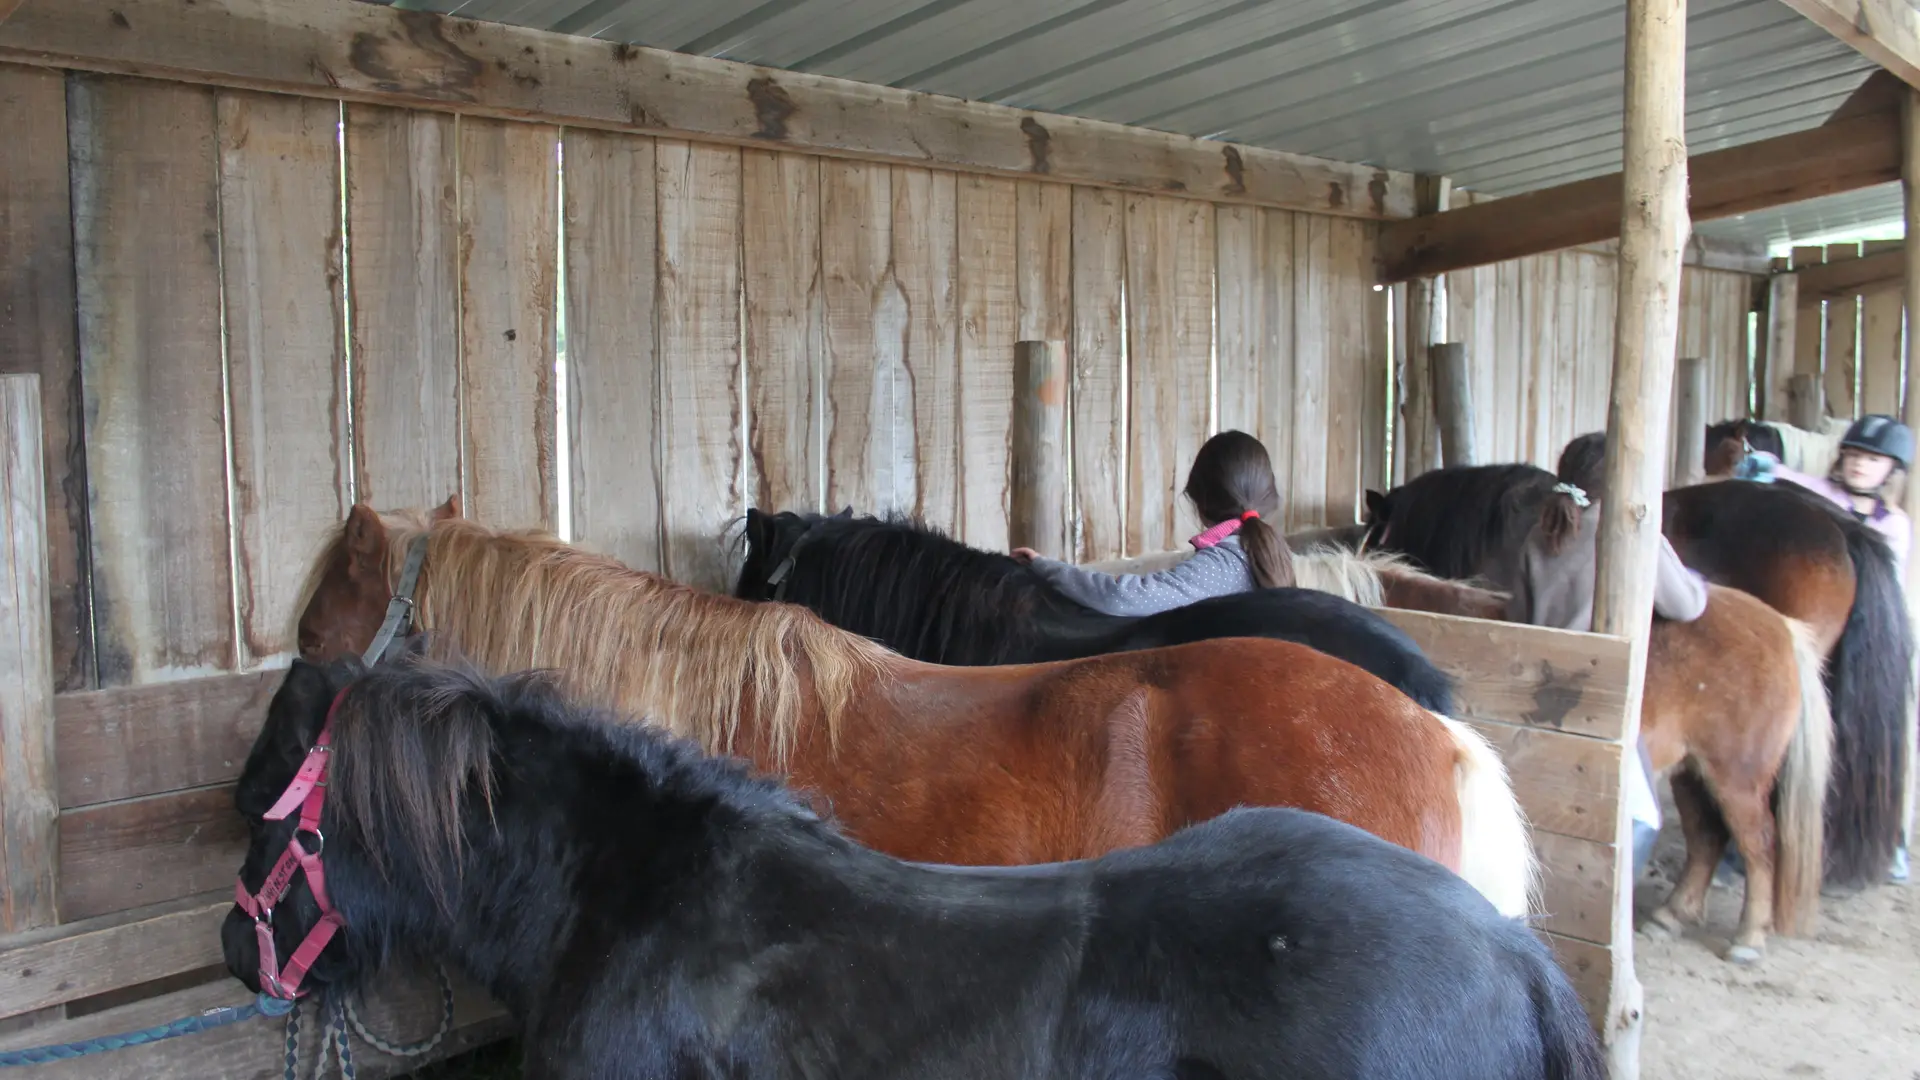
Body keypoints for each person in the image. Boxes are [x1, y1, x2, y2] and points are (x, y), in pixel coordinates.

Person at [1507, 432, 1711, 879]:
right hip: (1597, 700)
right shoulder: (1630, 536)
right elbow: (1686, 604)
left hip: (1537, 697)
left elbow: (1517, 619)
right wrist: (1695, 576)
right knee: (1642, 818)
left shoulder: (1541, 533)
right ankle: (1610, 920)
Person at [1734, 413, 1914, 884]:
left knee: (1886, 734)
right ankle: (1753, 838)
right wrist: (1763, 466)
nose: (1858, 465)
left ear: (1890, 471)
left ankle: (1890, 837)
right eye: (1854, 454)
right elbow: (1786, 479)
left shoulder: (1894, 525)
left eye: (1872, 459)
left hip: (1867, 642)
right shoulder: (1819, 496)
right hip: (1819, 641)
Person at [1010, 430, 1294, 616]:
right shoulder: (1268, 550)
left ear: (1200, 503)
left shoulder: (1224, 563)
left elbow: (1119, 597)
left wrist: (1046, 568)